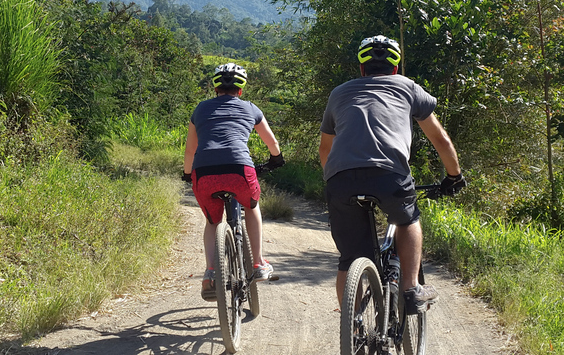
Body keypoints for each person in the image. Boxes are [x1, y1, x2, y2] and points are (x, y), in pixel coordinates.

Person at [318, 35, 467, 314]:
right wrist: (454, 176)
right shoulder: (408, 87)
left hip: (340, 179)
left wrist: (335, 180)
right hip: (390, 175)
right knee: (407, 218)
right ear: (396, 68)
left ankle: (353, 323)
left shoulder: (339, 93)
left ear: (361, 69)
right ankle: (411, 288)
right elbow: (442, 141)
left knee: (350, 259)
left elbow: (325, 148)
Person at [183, 62, 285, 301]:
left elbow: (190, 151)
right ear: (240, 90)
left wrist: (188, 174)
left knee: (212, 222)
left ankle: (210, 273)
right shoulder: (251, 108)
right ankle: (258, 263)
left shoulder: (200, 110)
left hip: (204, 173)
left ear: (215, 88)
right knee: (251, 206)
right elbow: (272, 143)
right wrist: (275, 160)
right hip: (240, 170)